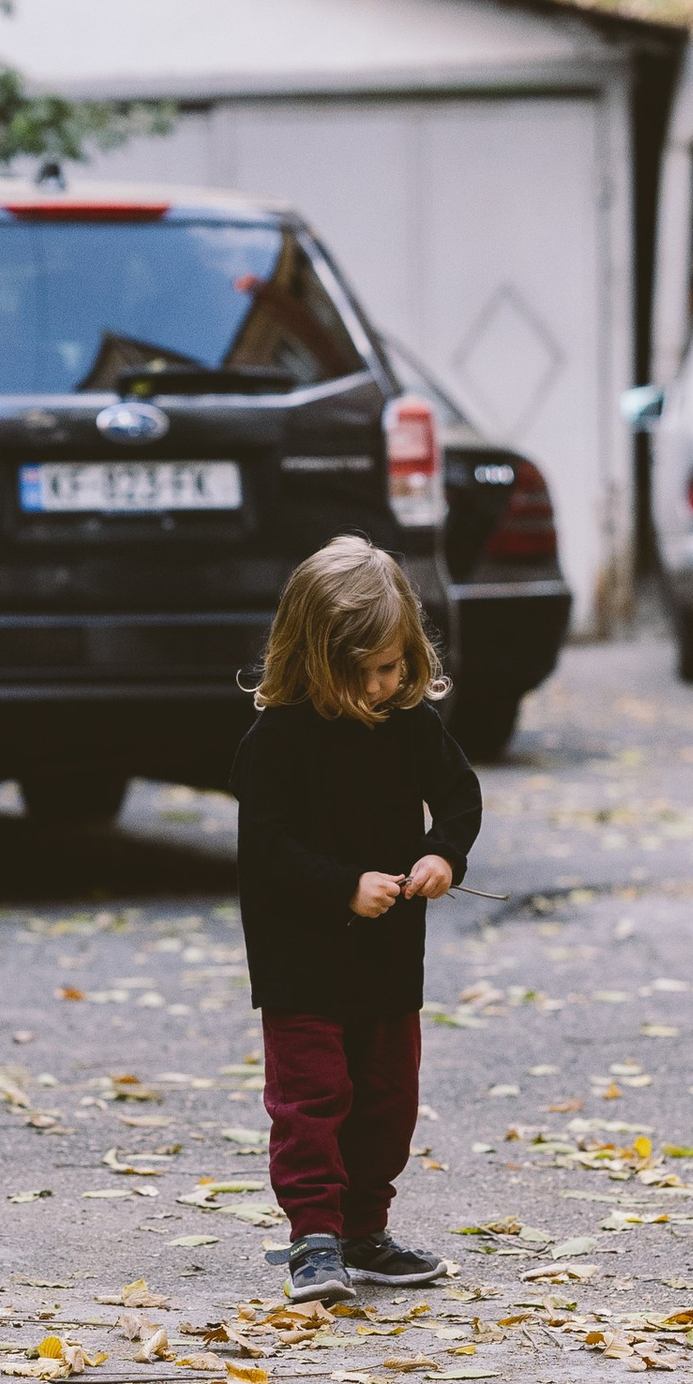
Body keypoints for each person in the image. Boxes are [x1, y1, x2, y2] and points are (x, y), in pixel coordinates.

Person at [233, 535, 482, 1303]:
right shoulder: (276, 742)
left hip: (387, 956)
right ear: (316, 661)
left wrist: (444, 855)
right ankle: (314, 1237)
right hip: (300, 959)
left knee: (386, 1098)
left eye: (397, 665)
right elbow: (266, 850)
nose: (387, 682)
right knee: (312, 1099)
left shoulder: (408, 726)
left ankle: (365, 1231)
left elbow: (461, 796)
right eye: (369, 671)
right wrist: (344, 886)